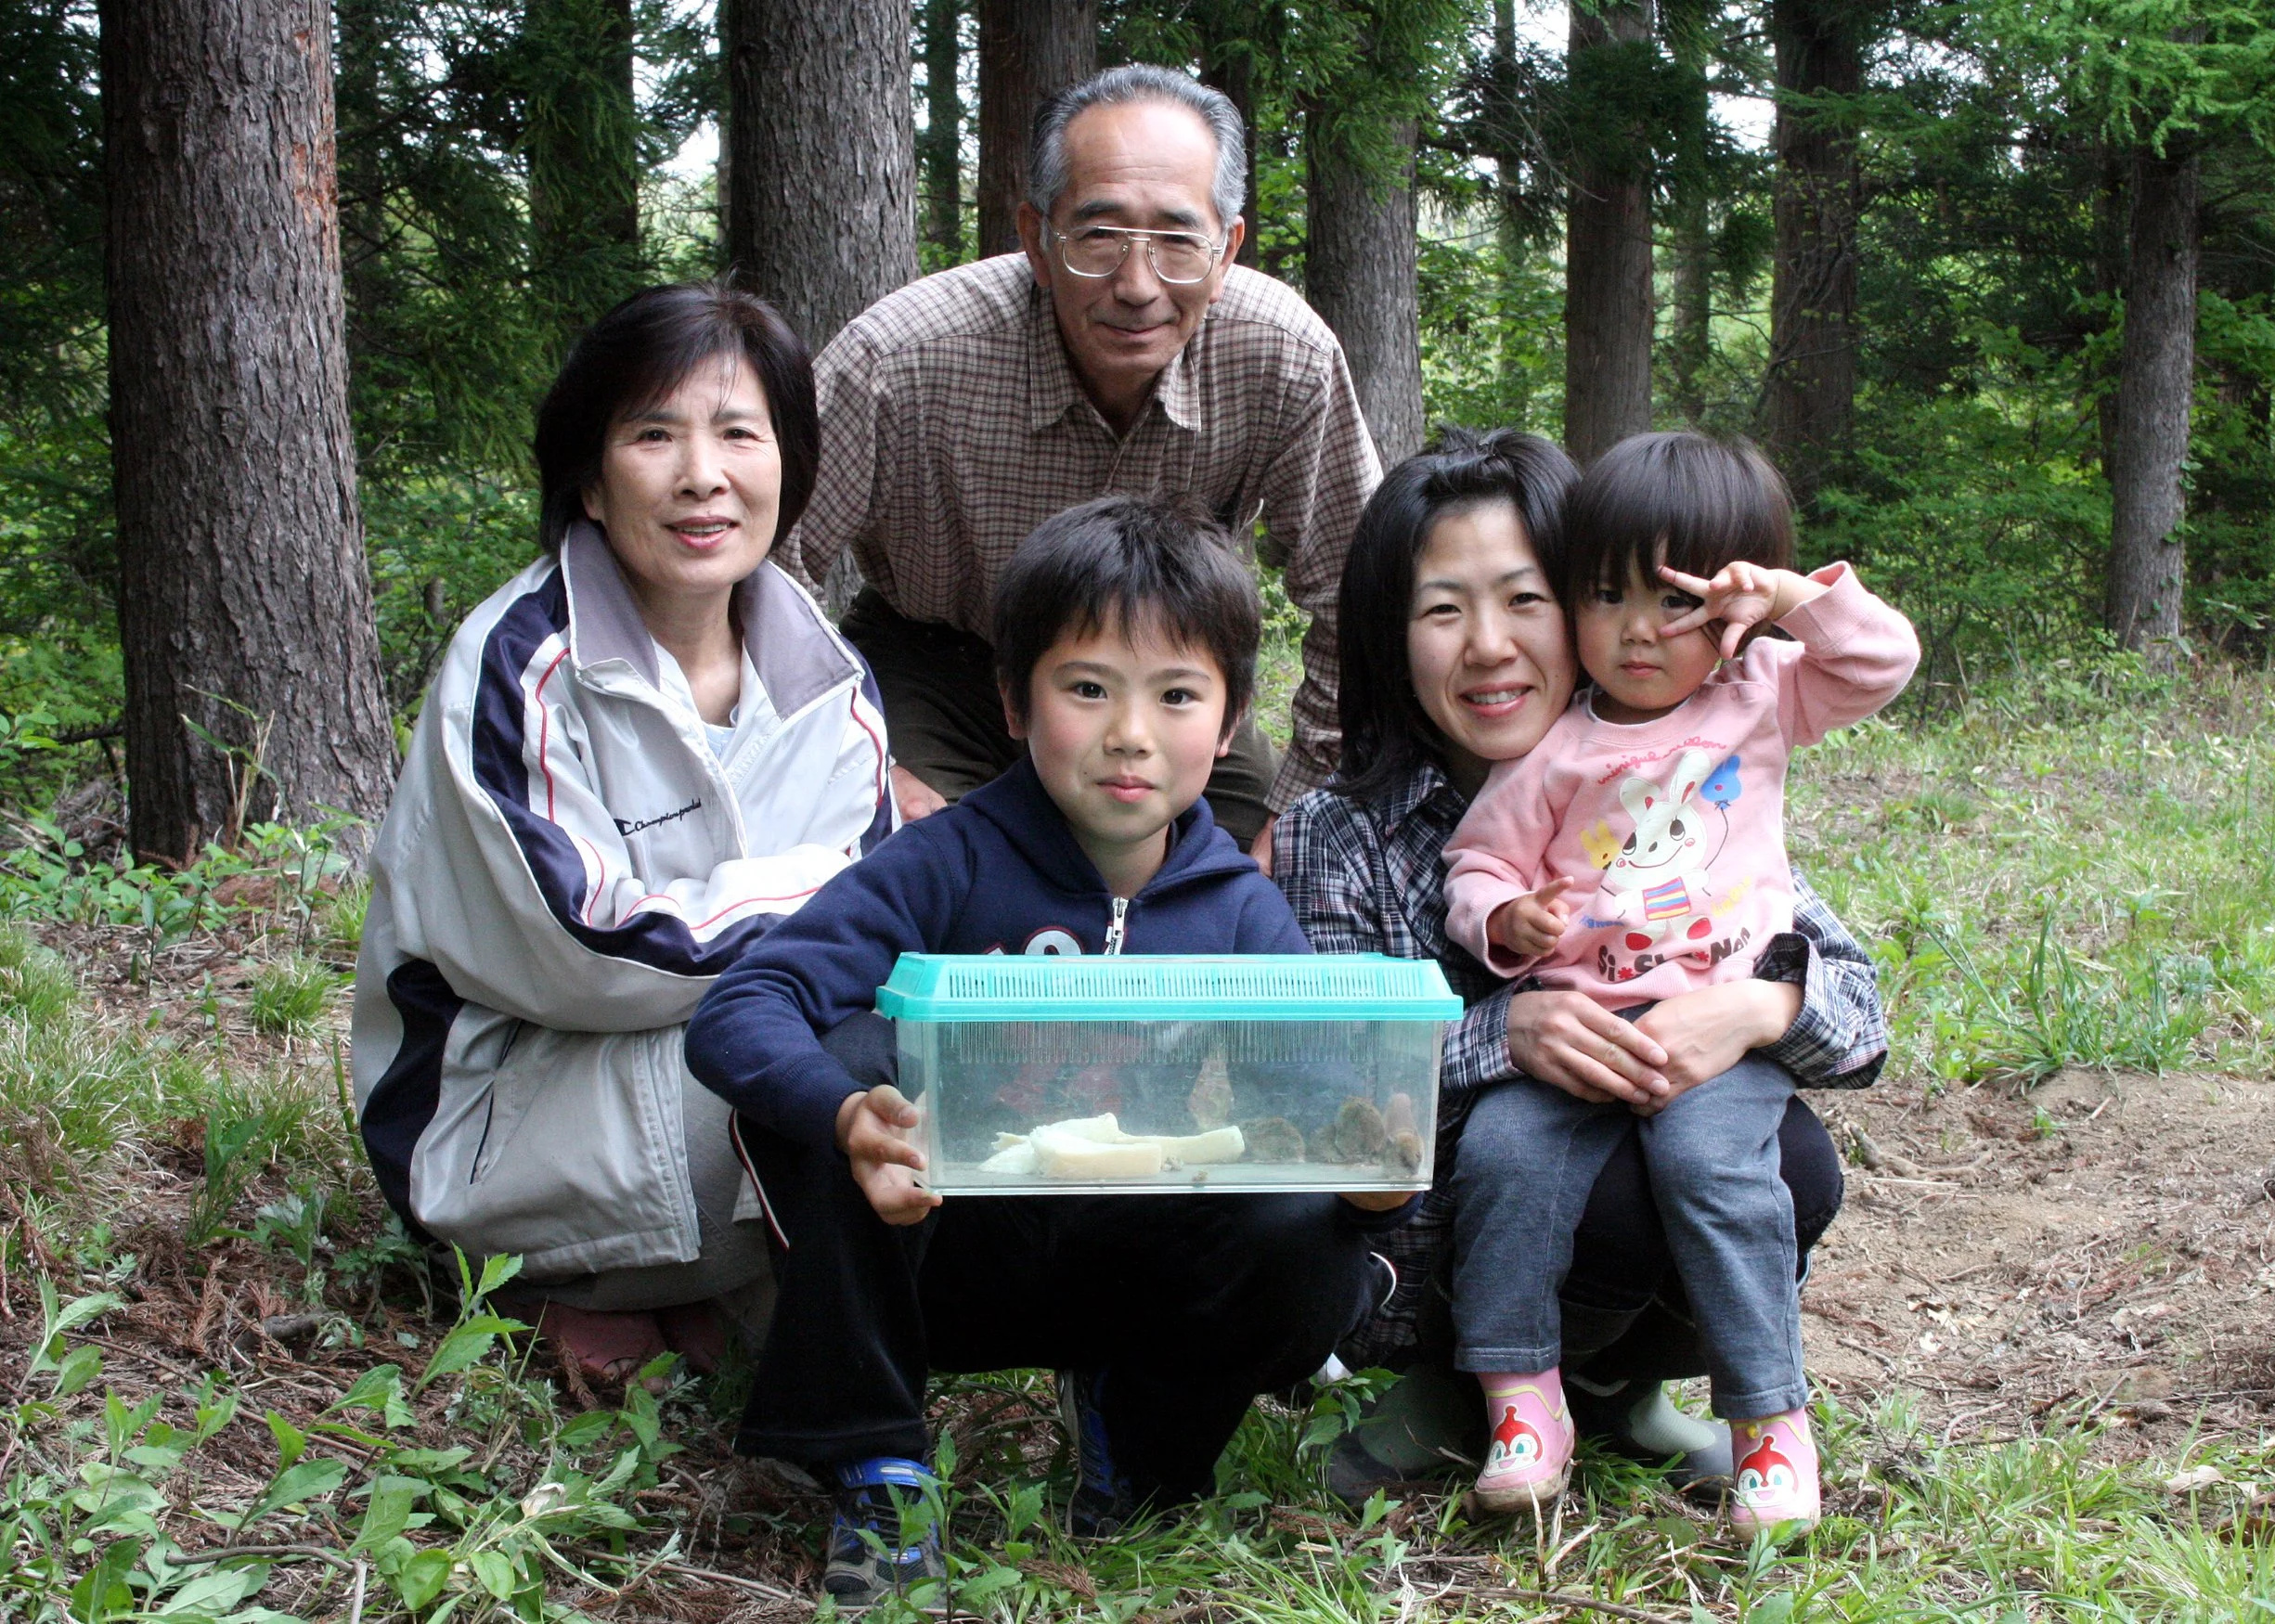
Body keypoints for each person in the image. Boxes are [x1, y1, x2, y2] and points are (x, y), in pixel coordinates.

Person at [686, 496, 1404, 1609]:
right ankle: (876, 1465)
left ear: (1228, 723)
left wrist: (1363, 1176)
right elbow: (747, 1005)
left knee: (1304, 1225)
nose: (1131, 733)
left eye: (1176, 694)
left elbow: (1306, 1098)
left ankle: (1144, 1439)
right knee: (860, 1058)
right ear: (1015, 702)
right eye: (1087, 688)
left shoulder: (1235, 907)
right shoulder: (948, 861)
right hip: (943, 1255)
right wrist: (844, 1114)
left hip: (1135, 1266)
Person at [1270, 429, 1891, 1511]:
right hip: (1429, 1248)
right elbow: (1328, 1089)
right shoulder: (1339, 830)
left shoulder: (1679, 762)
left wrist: (1756, 1004)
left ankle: (1616, 1383)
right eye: (1442, 610)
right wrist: (1499, 1037)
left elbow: (1859, 1019)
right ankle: (1465, 1388)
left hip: (1660, 1130)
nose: (1489, 647)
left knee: (1782, 1159)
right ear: (1388, 634)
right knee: (1550, 1157)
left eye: (1524, 600)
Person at [351, 283, 890, 1385]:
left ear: (787, 464)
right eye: (655, 435)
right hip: (504, 1108)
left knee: (909, 1061)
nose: (704, 474)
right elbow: (588, 952)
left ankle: (699, 1294)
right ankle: (574, 1282)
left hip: (687, 1079)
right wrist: (823, 902)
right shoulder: (518, 665)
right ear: (591, 482)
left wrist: (841, 923)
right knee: (851, 1078)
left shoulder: (827, 681)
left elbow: (879, 933)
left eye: (741, 432)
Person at [1436, 432, 1919, 1529]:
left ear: (1729, 611)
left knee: (1717, 1169)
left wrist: (1796, 598)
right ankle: (1522, 1401)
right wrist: (1506, 917)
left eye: (1675, 601)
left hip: (1720, 1023)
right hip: (1582, 1024)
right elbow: (1478, 862)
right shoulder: (1552, 749)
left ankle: (1769, 1425)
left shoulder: (1761, 693)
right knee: (1505, 1160)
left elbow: (1880, 662)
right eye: (1606, 597)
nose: (1640, 630)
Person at [781, 63, 1382, 861]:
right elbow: (766, 570)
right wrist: (858, 764)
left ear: (1227, 246)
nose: (1137, 286)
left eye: (1176, 240)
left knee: (1245, 878)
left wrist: (1296, 812)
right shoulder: (902, 360)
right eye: (1099, 237)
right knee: (925, 870)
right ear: (1037, 238)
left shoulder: (1283, 356)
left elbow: (1360, 596)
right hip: (942, 666)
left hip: (1164, 673)